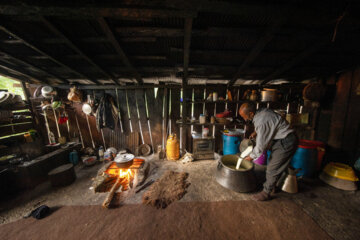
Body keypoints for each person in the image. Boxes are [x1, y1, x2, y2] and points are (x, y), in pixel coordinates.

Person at [239, 102, 298, 201]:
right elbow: (271, 125)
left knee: (272, 168)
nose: (245, 120)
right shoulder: (262, 112)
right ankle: (273, 185)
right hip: (282, 139)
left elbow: (261, 146)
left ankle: (266, 192)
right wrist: (256, 132)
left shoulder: (261, 121)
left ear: (251, 114)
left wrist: (251, 157)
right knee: (274, 164)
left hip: (286, 141)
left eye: (245, 117)